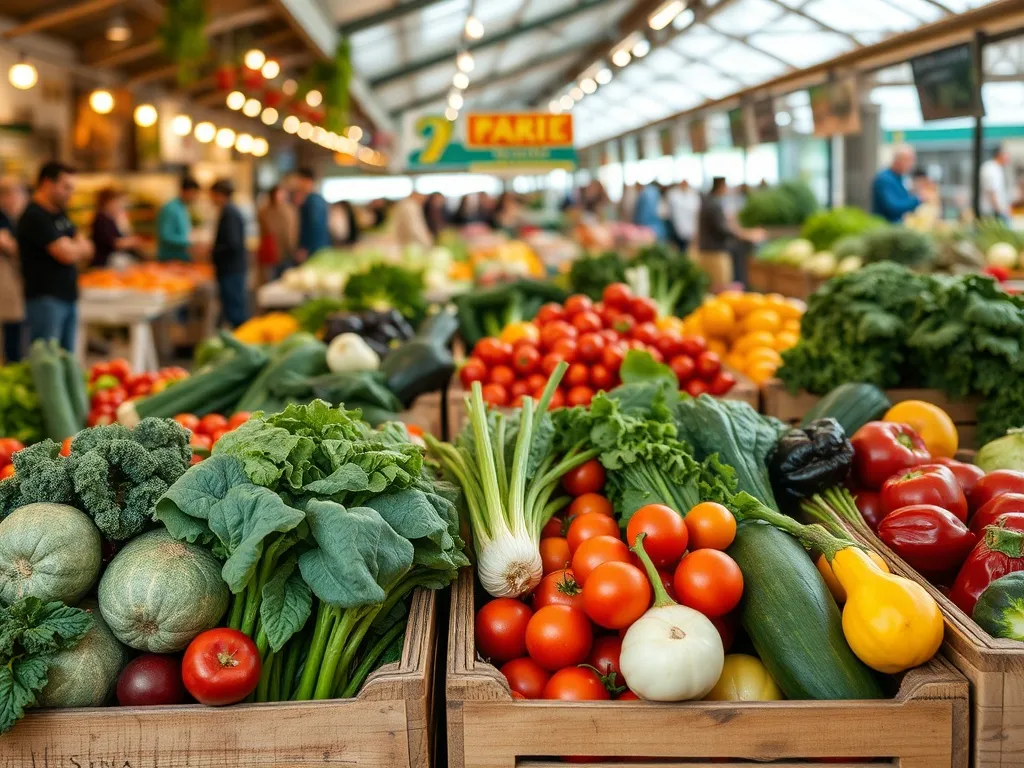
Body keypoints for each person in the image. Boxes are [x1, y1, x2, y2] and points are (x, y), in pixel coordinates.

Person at [17, 162, 94, 351]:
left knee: (67, 358)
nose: (70, 193)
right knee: (47, 360)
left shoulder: (60, 214)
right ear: (47, 183)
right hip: (45, 299)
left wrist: (73, 247)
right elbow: (65, 254)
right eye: (65, 187)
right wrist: (74, 248)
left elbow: (89, 248)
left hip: (68, 295)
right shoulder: (35, 216)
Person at [697, 177, 765, 291]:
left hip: (709, 249)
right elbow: (723, 229)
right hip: (714, 251)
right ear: (721, 186)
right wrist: (745, 235)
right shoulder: (714, 205)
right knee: (719, 287)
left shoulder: (710, 202)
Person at [209, 179, 249, 329]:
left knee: (235, 311)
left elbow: (232, 243)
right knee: (232, 308)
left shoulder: (229, 213)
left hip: (230, 268)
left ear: (220, 195)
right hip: (232, 267)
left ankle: (243, 343)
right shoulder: (230, 211)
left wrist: (212, 251)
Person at [0, 177, 27, 362]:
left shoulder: (14, 219)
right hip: (6, 282)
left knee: (16, 329)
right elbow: (11, 247)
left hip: (13, 282)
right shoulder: (3, 219)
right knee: (11, 328)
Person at [256, 184, 297, 284]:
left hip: (287, 252)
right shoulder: (264, 211)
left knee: (285, 280)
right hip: (272, 252)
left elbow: (293, 230)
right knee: (271, 281)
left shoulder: (289, 209)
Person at [91, 188, 142, 268]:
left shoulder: (112, 218)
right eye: (117, 201)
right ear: (107, 202)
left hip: (115, 258)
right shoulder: (101, 219)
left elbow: (125, 234)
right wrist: (132, 242)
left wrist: (122, 222)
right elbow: (113, 243)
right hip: (106, 261)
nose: (119, 205)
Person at [872, 145, 921, 223]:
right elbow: (893, 207)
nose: (911, 164)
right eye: (908, 160)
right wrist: (917, 199)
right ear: (898, 160)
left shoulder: (901, 178)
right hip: (886, 227)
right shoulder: (884, 179)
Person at [157, 176, 200, 262]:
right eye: (194, 193)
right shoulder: (171, 208)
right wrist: (190, 242)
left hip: (182, 258)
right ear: (186, 191)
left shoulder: (182, 207)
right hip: (170, 259)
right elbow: (165, 235)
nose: (195, 197)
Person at [294, 168, 330, 261]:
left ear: (306, 180)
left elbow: (314, 225)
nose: (297, 184)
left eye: (298, 180)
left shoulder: (312, 200)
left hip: (314, 249)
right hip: (321, 247)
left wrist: (304, 247)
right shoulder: (318, 198)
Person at [980, 145, 1012, 221]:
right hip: (992, 212)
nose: (1009, 159)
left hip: (995, 210)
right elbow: (992, 191)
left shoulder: (996, 168)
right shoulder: (991, 169)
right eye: (1007, 156)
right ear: (1000, 155)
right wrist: (1000, 211)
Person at [666, 179, 700, 253]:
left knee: (687, 249)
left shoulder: (693, 195)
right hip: (675, 228)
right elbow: (668, 213)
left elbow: (696, 213)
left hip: (689, 229)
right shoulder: (673, 195)